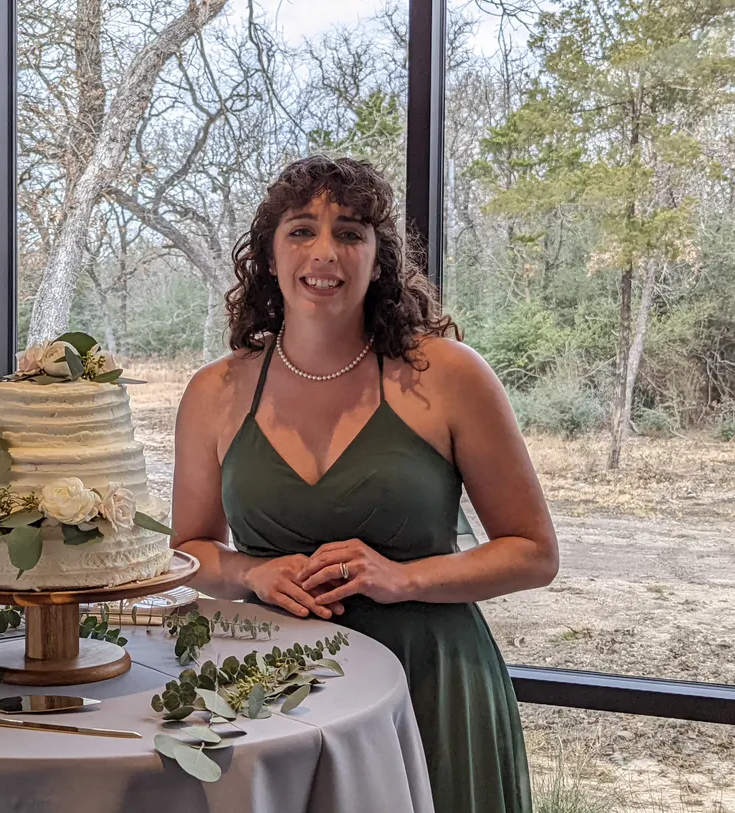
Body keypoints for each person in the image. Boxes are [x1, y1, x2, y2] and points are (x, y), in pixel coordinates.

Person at [170, 155, 558, 813]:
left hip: (432, 684)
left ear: (380, 260)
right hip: (277, 687)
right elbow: (193, 551)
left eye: (350, 232)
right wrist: (253, 574)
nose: (325, 251)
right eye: (301, 230)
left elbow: (534, 551)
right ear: (268, 254)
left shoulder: (450, 376)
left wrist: (404, 578)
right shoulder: (213, 392)